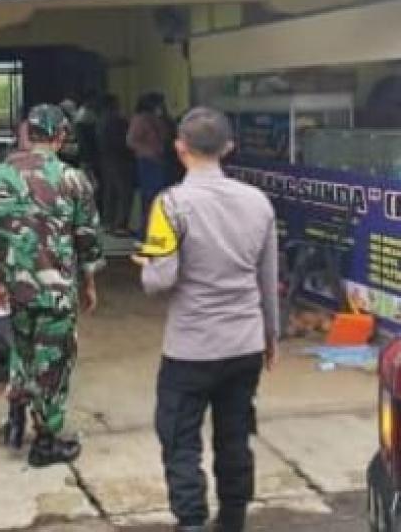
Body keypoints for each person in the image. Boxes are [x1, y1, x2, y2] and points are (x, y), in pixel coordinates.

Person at [131, 108, 278, 532]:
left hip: (191, 349)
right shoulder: (258, 202)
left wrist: (147, 262)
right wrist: (270, 336)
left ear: (179, 149)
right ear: (228, 148)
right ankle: (233, 520)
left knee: (180, 441)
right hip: (245, 344)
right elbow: (268, 278)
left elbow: (159, 281)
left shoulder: (170, 203)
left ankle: (192, 522)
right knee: (235, 437)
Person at [0, 103, 105, 467]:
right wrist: (89, 283)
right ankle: (45, 442)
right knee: (53, 362)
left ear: (27, 132)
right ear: (61, 136)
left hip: (17, 288)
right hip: (55, 290)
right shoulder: (72, 179)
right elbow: (87, 239)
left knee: (24, 350)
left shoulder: (0, 175)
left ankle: (16, 417)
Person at [127, 92, 170, 229]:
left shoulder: (157, 118)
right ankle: (145, 231)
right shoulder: (140, 119)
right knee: (151, 197)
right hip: (147, 161)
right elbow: (131, 141)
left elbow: (166, 134)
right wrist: (148, 151)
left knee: (159, 197)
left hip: (158, 159)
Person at [96, 94, 135, 235]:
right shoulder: (117, 121)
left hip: (105, 159)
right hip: (120, 159)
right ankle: (121, 224)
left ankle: (108, 223)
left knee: (110, 192)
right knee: (124, 192)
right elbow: (124, 140)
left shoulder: (100, 120)